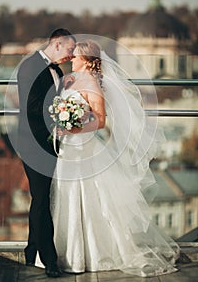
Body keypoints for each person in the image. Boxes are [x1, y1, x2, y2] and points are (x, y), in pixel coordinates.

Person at [50, 40, 180, 278]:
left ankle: (94, 254)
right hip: (69, 148)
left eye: (76, 57)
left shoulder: (93, 85)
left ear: (88, 61)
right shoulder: (75, 80)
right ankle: (67, 253)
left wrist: (71, 128)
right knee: (67, 196)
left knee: (89, 199)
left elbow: (99, 121)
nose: (72, 60)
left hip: (85, 148)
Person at [17, 28, 76, 278]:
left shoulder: (58, 71)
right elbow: (31, 108)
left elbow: (53, 101)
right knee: (43, 200)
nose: (72, 55)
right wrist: (57, 125)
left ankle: (31, 252)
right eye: (70, 50)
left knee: (40, 200)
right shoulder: (30, 66)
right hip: (33, 144)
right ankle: (50, 261)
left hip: (49, 144)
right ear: (57, 43)